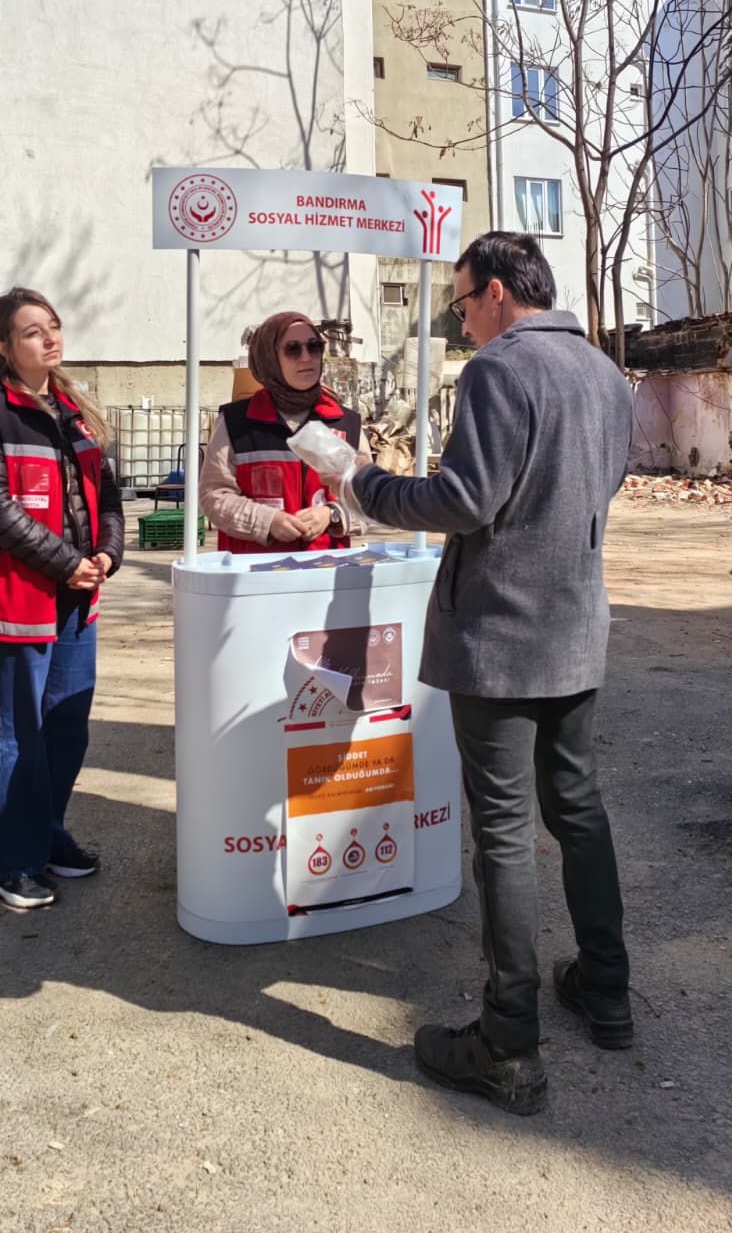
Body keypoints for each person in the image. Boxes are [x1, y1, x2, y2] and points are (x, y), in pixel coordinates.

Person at [303, 232, 633, 1116]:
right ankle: (606, 988)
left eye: (459, 304)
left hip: (499, 640)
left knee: (505, 833)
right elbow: (603, 484)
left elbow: (464, 500)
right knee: (578, 807)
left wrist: (364, 483)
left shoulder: (499, 370)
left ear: (494, 292)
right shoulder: (605, 373)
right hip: (575, 630)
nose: (460, 322)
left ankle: (508, 1042)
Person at [0, 287, 125, 911]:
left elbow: (108, 495)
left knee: (66, 729)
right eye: (32, 331)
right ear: (2, 346)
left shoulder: (76, 409)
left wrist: (107, 554)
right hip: (19, 597)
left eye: (53, 326)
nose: (49, 338)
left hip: (77, 595)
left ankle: (44, 837)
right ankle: (5, 862)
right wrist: (68, 563)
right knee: (17, 732)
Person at [200, 311, 370, 554]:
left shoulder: (346, 423)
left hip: (327, 568)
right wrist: (266, 521)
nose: (306, 357)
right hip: (255, 571)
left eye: (314, 347)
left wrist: (332, 514)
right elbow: (214, 496)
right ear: (269, 358)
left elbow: (370, 496)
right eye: (293, 349)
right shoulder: (235, 422)